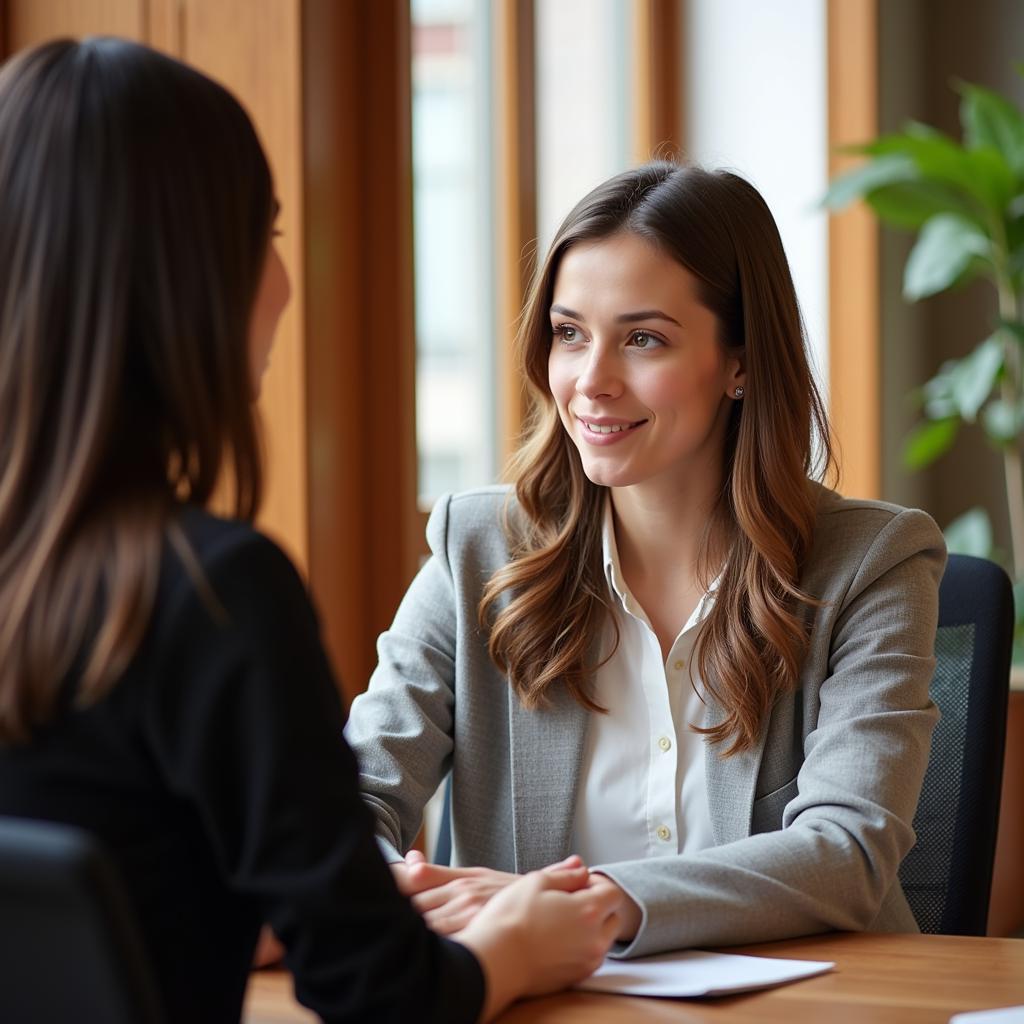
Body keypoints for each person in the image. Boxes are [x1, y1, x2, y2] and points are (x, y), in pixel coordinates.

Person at [0, 37, 624, 1024]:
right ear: (189, 275)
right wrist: (512, 944)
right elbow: (381, 994)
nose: (284, 282)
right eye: (269, 233)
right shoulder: (210, 593)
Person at [346, 161, 947, 957]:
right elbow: (352, 792)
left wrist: (593, 906)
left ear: (740, 361)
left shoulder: (871, 563)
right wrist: (381, 886)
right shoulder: (478, 550)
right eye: (569, 334)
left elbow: (848, 852)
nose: (590, 382)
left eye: (642, 339)